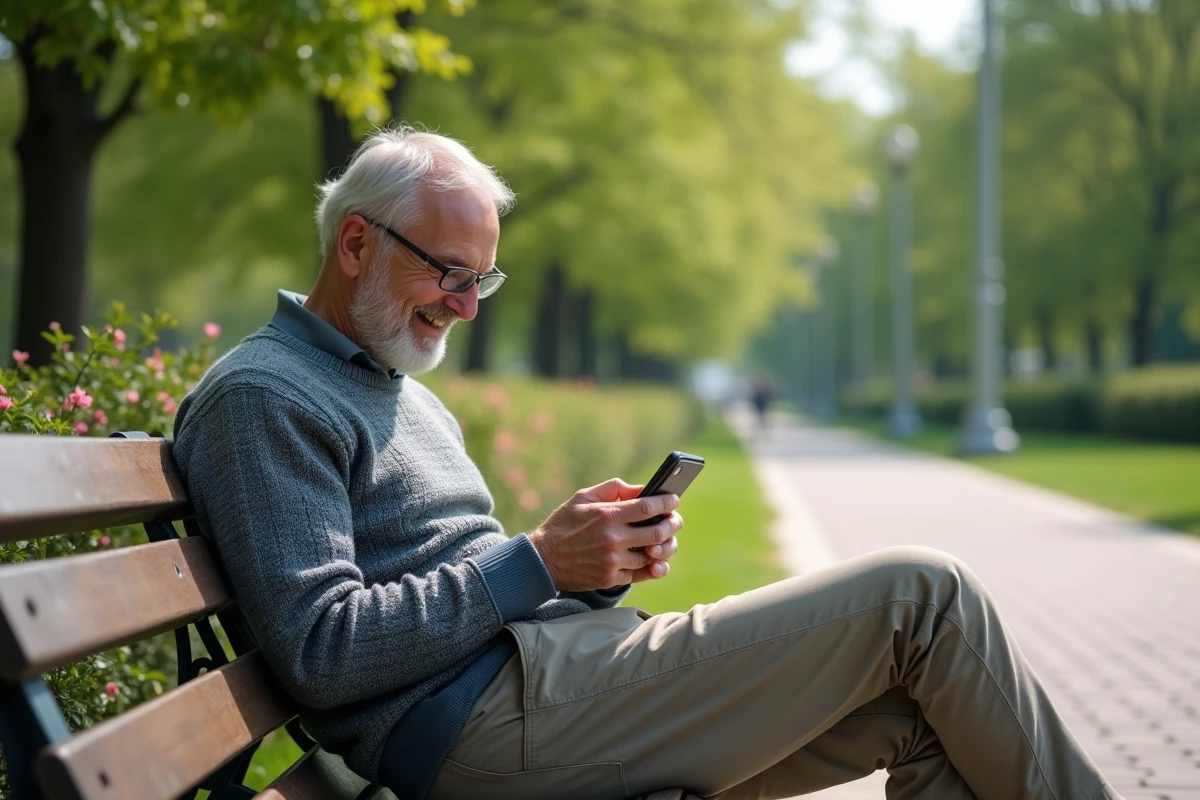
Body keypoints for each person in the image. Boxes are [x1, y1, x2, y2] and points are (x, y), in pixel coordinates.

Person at [173, 127, 1121, 800]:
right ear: (354, 244)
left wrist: (589, 570)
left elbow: (463, 583)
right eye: (450, 272)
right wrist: (538, 561)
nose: (467, 305)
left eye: (482, 279)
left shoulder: (396, 388)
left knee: (919, 712)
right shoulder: (265, 396)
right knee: (924, 597)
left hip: (541, 680)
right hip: (478, 728)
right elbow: (324, 649)